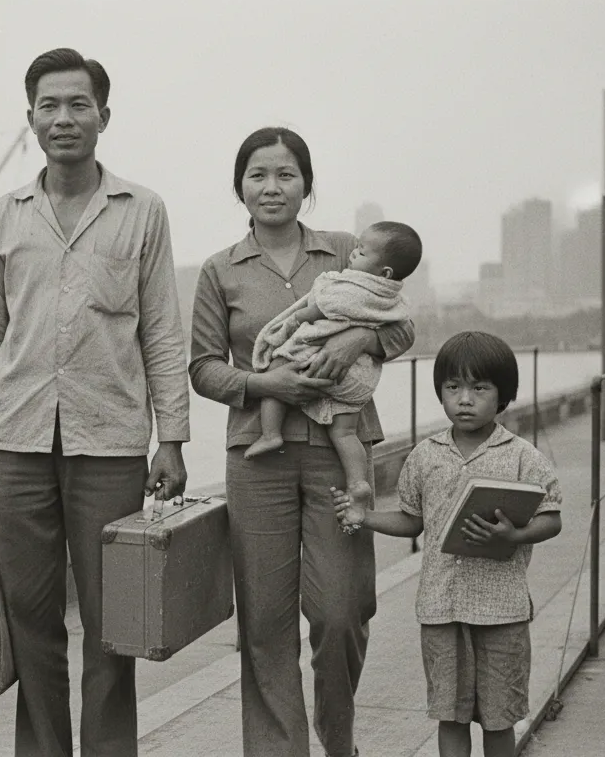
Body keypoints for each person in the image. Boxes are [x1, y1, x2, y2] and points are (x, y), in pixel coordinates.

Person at [0, 48, 189, 757]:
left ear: (103, 117)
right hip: (14, 443)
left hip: (110, 444)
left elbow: (163, 331)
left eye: (77, 104)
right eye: (49, 106)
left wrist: (172, 438)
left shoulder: (142, 211)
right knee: (31, 621)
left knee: (114, 621)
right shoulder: (3, 218)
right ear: (30, 119)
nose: (63, 118)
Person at [188, 126, 414, 757]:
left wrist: (355, 342)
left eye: (286, 174)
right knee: (264, 626)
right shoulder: (218, 271)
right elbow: (204, 366)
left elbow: (401, 329)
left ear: (307, 187)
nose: (272, 187)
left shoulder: (349, 252)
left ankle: (338, 742)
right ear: (239, 186)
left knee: (344, 612)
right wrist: (268, 382)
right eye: (258, 174)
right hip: (257, 462)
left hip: (341, 456)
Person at [334, 331, 563, 757]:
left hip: (503, 612)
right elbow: (412, 521)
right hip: (442, 610)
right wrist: (363, 517)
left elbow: (551, 517)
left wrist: (515, 535)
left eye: (479, 388)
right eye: (453, 387)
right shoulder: (425, 455)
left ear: (503, 396)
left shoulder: (521, 455)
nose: (465, 399)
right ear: (440, 392)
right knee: (450, 716)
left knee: (499, 719)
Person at [246, 221, 423, 512]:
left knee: (276, 366)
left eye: (361, 252)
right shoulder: (388, 291)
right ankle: (358, 482)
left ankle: (270, 432)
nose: (354, 254)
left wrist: (351, 333)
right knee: (344, 433)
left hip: (324, 365)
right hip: (359, 381)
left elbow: (331, 305)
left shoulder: (350, 268)